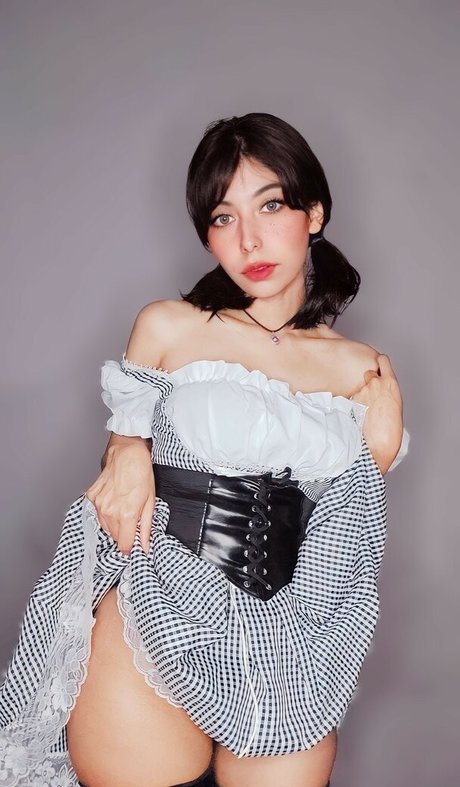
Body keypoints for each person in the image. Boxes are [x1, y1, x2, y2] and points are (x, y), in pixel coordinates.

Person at [0, 113, 409, 787]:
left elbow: (347, 533)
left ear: (314, 212)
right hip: (159, 603)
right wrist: (125, 446)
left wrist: (379, 456)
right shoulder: (169, 326)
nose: (248, 239)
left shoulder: (362, 369)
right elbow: (123, 466)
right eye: (223, 217)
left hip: (288, 643)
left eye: (270, 205)